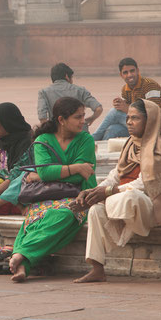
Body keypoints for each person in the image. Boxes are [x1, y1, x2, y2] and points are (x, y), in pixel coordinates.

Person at [73, 99, 161, 283]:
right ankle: (97, 268)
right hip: (122, 202)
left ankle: (109, 200)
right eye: (128, 118)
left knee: (130, 197)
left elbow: (145, 184)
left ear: (149, 121)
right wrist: (94, 192)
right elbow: (115, 175)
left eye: (135, 118)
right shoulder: (131, 144)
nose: (129, 123)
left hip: (152, 207)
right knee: (95, 210)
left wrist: (106, 193)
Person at [9, 97, 97, 282]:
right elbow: (47, 171)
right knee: (37, 219)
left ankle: (21, 257)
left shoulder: (85, 140)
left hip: (80, 195)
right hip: (46, 197)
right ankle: (23, 263)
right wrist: (74, 168)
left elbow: (81, 175)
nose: (83, 121)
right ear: (61, 120)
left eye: (83, 116)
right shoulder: (43, 140)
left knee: (64, 215)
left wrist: (45, 174)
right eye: (77, 117)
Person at [92, 57, 161, 141]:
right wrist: (120, 104)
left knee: (114, 112)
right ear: (121, 75)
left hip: (155, 126)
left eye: (132, 71)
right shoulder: (125, 89)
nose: (129, 75)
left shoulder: (150, 85)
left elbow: (153, 114)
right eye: (125, 72)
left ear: (137, 71)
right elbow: (128, 111)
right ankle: (101, 150)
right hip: (138, 124)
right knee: (112, 129)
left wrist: (126, 108)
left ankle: (92, 139)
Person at [37, 63, 102, 128]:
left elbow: (42, 117)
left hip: (57, 132)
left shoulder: (44, 92)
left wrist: (49, 130)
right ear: (67, 76)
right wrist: (91, 119)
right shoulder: (80, 90)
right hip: (79, 132)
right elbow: (99, 109)